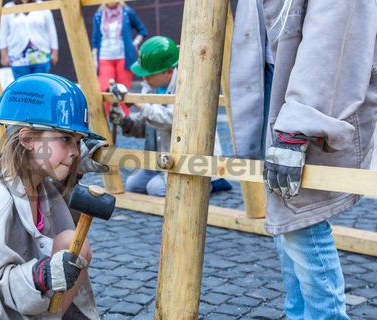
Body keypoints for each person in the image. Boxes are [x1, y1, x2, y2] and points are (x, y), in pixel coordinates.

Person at [230, 0, 377, 318]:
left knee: (300, 220)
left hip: (309, 97)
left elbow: (332, 35)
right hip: (284, 86)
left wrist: (298, 126)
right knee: (289, 223)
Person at [0, 74, 107, 319]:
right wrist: (42, 274)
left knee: (74, 243)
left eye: (78, 142)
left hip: (18, 306)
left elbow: (58, 227)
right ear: (26, 139)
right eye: (66, 139)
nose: (74, 152)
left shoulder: (42, 188)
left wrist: (75, 170)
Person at [111, 36, 231, 196]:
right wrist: (124, 121)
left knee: (155, 189)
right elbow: (145, 127)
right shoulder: (151, 87)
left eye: (148, 74)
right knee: (133, 185)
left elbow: (170, 120)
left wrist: (138, 103)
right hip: (160, 159)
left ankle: (211, 184)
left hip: (188, 160)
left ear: (168, 71)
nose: (144, 77)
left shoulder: (187, 87)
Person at [92, 1, 147, 116]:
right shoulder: (98, 15)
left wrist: (134, 43)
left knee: (123, 90)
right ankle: (103, 123)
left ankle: (126, 122)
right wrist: (94, 58)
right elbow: (95, 39)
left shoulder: (127, 12)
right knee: (103, 90)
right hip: (105, 57)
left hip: (123, 57)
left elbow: (142, 30)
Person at [0, 0, 59, 80]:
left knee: (41, 86)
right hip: (17, 57)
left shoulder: (42, 5)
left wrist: (55, 51)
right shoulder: (8, 8)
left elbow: (51, 31)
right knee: (22, 88)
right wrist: (3, 55)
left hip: (41, 55)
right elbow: (2, 33)